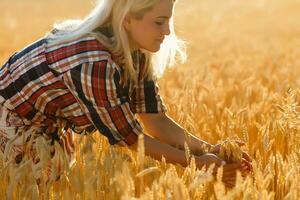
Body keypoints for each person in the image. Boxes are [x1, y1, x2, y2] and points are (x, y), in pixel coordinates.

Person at [0, 0, 251, 185]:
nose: (167, 31)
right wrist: (197, 163)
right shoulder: (93, 63)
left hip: (46, 128)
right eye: (159, 22)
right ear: (127, 19)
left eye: (168, 21)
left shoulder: (135, 53)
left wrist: (212, 149)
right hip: (11, 125)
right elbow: (131, 139)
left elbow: (155, 120)